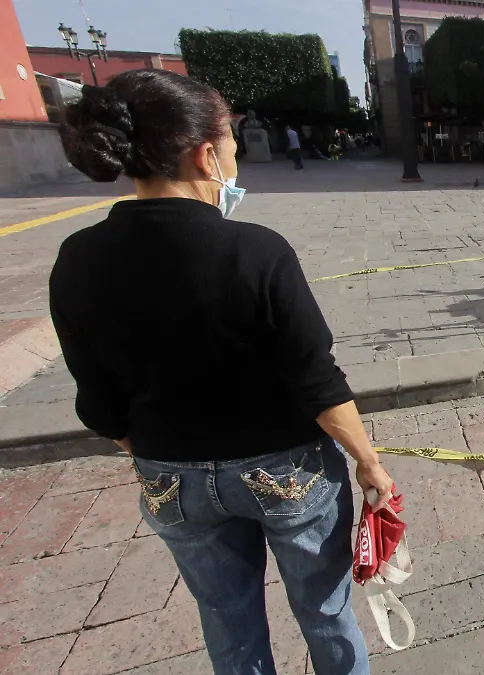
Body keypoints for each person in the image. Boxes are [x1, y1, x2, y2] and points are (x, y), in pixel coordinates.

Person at [51, 69, 390, 674]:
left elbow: (96, 399)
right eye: (232, 143)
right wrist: (368, 461)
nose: (235, 159)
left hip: (169, 475)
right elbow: (316, 378)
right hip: (285, 469)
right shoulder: (256, 250)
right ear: (205, 155)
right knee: (325, 609)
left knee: (227, 617)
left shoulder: (77, 258)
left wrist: (158, 453)